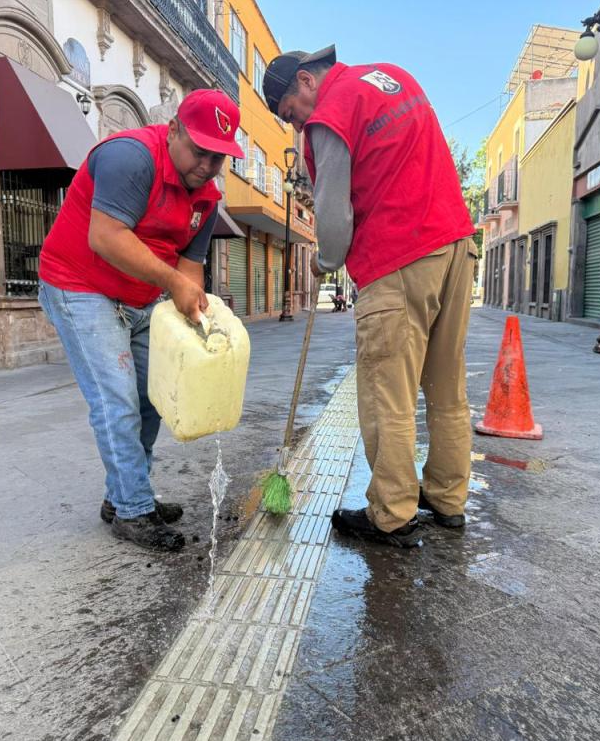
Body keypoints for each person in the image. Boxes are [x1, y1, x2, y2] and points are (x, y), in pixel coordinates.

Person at [263, 46, 477, 548]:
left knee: (388, 395)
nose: (297, 126)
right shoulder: (392, 77)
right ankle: (447, 498)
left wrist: (324, 259)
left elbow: (333, 214)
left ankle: (392, 512)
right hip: (455, 246)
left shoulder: (330, 113)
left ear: (305, 81)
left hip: (399, 257)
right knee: (447, 387)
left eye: (291, 114)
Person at [37, 90, 244, 552]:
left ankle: (125, 495)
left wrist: (197, 322)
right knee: (117, 400)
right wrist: (173, 283)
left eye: (218, 157)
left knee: (153, 396)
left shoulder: (207, 198)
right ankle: (133, 510)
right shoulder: (130, 158)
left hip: (141, 297)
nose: (207, 165)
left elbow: (189, 269)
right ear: (173, 131)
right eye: (199, 150)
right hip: (79, 285)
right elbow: (106, 236)